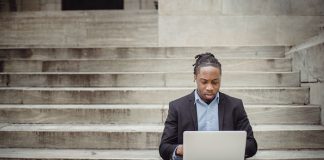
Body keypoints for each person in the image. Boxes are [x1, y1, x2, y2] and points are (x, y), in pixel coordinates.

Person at [159, 53, 257, 160]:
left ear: (220, 79)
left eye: (215, 82)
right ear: (195, 78)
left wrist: (227, 148)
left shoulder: (235, 106)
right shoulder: (177, 107)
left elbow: (251, 145)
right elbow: (164, 147)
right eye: (204, 82)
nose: (209, 87)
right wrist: (180, 149)